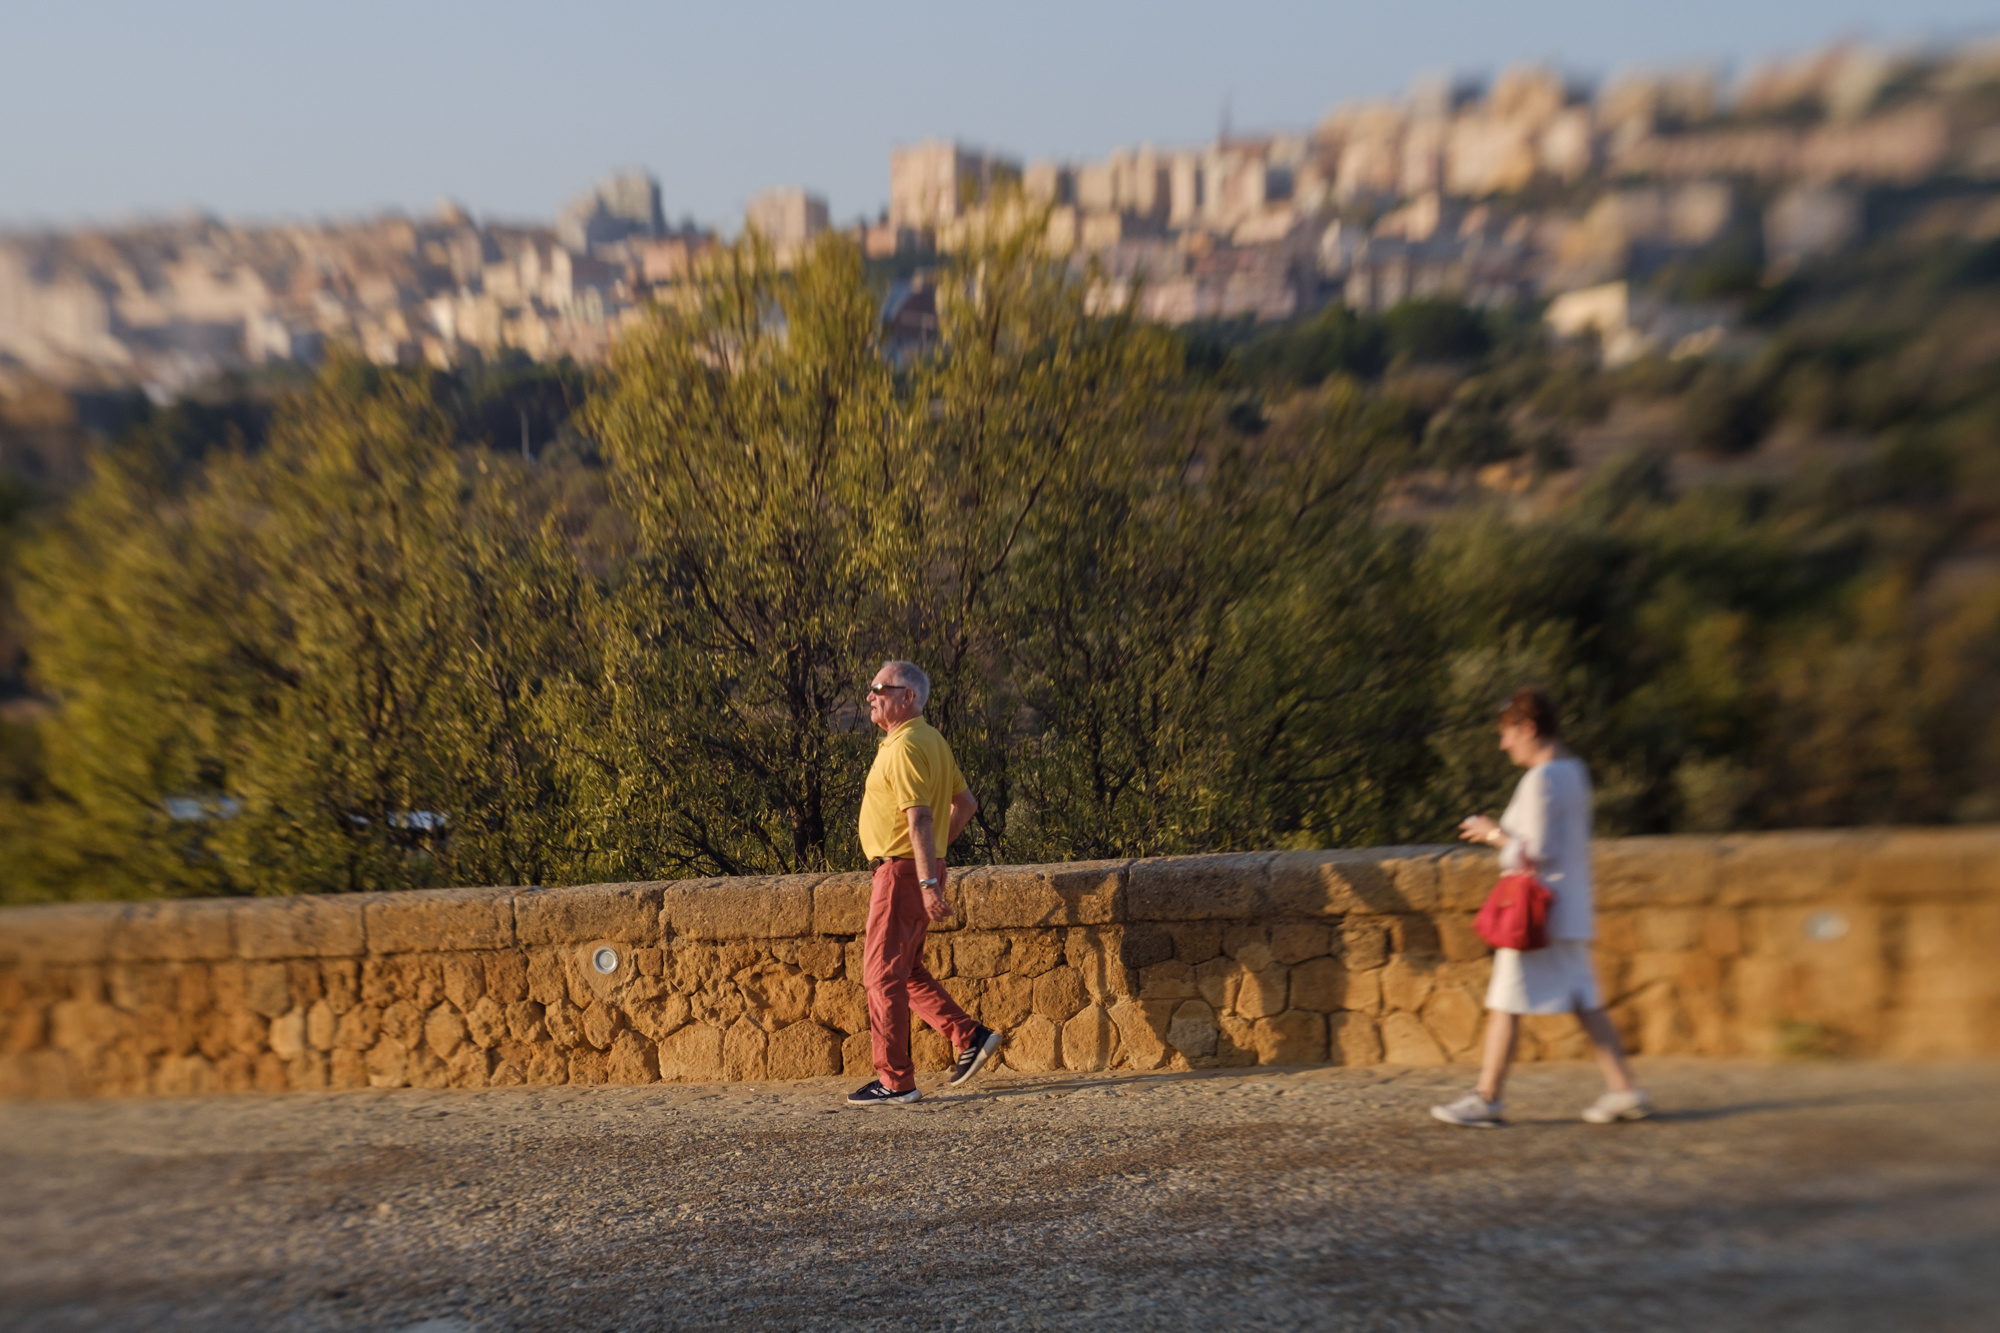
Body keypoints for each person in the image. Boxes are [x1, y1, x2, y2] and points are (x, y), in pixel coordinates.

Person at [1431, 688, 1653, 1128]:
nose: (1504, 744)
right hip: (1569, 912)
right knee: (1586, 1002)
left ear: (1528, 728)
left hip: (1536, 914)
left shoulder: (1542, 780)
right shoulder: (1575, 772)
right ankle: (1625, 1091)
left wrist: (1491, 833)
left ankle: (1487, 1099)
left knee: (1505, 1003)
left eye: (1507, 734)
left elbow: (1530, 853)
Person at [846, 660, 1004, 1106]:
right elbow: (967, 804)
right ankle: (970, 1035)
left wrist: (926, 879)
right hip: (915, 868)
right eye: (871, 687)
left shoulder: (903, 748)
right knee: (907, 971)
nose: (870, 695)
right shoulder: (932, 741)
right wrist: (933, 862)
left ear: (906, 697)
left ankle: (896, 1082)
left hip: (900, 872)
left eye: (881, 687)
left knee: (880, 976)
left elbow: (919, 816)